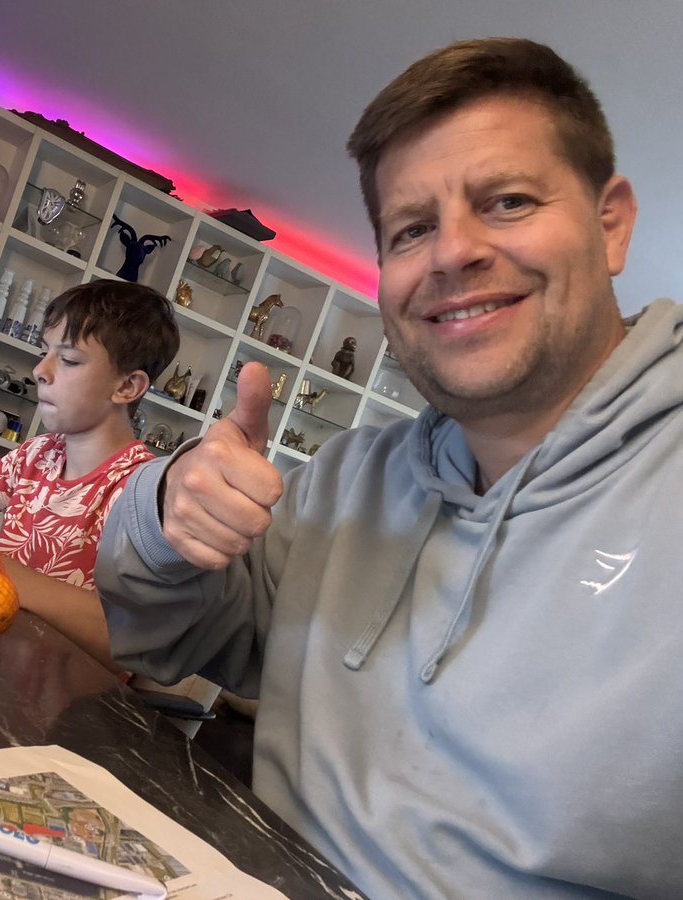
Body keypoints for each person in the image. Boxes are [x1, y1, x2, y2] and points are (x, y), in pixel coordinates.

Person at [95, 37, 682, 897]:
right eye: (411, 229)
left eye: (508, 201)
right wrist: (167, 509)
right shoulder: (345, 477)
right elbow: (167, 633)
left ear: (610, 222)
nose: (452, 254)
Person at [0, 279, 179, 669]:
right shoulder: (36, 455)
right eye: (44, 352)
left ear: (128, 386)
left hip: (65, 707)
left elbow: (132, 643)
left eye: (70, 359)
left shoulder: (144, 493)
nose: (40, 370)